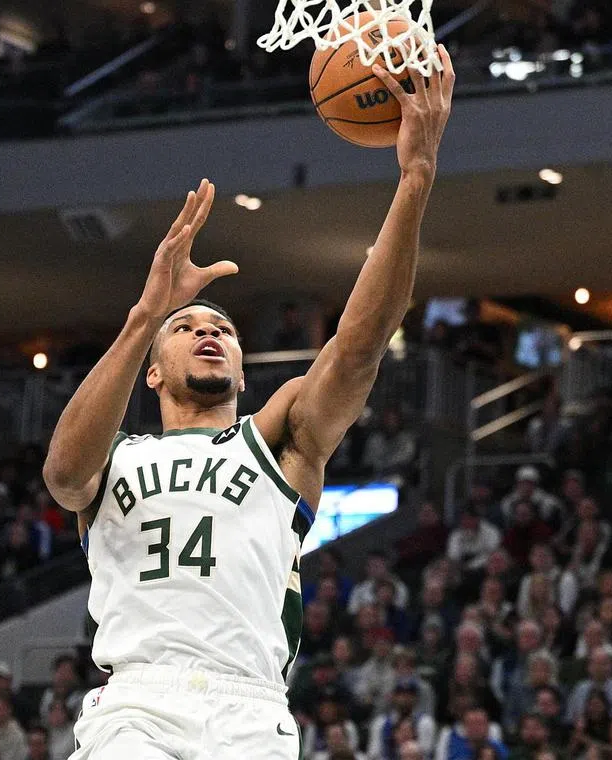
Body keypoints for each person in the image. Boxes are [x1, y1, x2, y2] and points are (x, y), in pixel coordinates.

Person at [43, 48, 456, 760]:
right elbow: (62, 475)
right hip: (137, 701)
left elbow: (358, 347)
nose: (208, 331)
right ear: (151, 373)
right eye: (190, 327)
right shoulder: (116, 459)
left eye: (224, 330)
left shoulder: (282, 438)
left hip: (250, 708)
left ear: (242, 368)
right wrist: (147, 313)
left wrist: (415, 178)